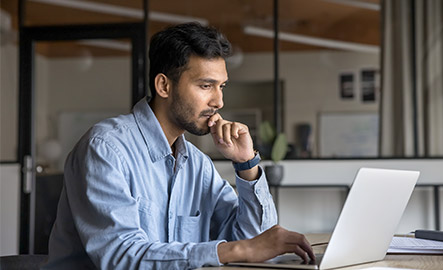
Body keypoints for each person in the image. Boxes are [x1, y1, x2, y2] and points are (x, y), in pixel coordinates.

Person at [44, 22, 314, 269]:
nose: (219, 101)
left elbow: (258, 244)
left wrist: (246, 164)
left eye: (222, 87)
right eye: (206, 85)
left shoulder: (197, 165)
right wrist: (236, 249)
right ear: (164, 85)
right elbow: (121, 256)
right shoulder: (104, 149)